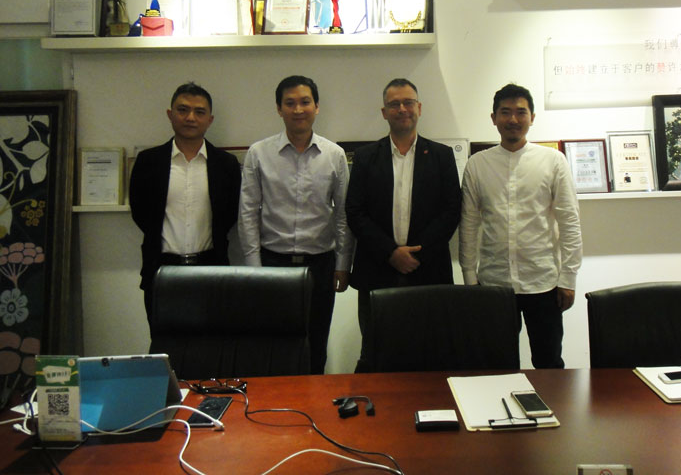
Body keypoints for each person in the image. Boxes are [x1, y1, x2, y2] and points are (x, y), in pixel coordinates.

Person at [459, 83, 582, 369]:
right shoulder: (477, 164)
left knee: (549, 363)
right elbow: (469, 224)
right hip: (494, 283)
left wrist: (568, 278)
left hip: (544, 282)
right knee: (497, 364)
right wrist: (470, 278)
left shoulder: (553, 161)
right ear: (493, 118)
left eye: (520, 112)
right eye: (505, 112)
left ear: (532, 117)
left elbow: (569, 221)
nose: (513, 119)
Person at [238, 75, 353, 375]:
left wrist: (343, 264)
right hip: (273, 264)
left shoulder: (334, 155)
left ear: (317, 106)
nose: (298, 109)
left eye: (305, 102)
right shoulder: (258, 153)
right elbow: (248, 213)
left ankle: (314, 400)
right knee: (274, 346)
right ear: (279, 109)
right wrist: (254, 268)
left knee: (316, 345)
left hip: (320, 265)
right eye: (290, 103)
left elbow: (343, 214)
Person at [346, 78, 461, 371]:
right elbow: (355, 212)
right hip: (376, 270)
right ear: (384, 112)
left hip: (429, 271)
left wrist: (416, 254)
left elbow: (451, 211)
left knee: (430, 352)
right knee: (376, 352)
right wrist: (391, 252)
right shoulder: (365, 157)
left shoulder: (441, 156)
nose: (402, 109)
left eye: (408, 102)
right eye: (394, 104)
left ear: (419, 108)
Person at [130, 82, 241, 326]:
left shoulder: (226, 164)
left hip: (212, 268)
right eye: (183, 110)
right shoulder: (148, 162)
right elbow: (140, 212)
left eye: (199, 112)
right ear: (170, 114)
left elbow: (230, 214)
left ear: (210, 120)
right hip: (161, 270)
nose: (190, 117)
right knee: (163, 341)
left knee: (212, 341)